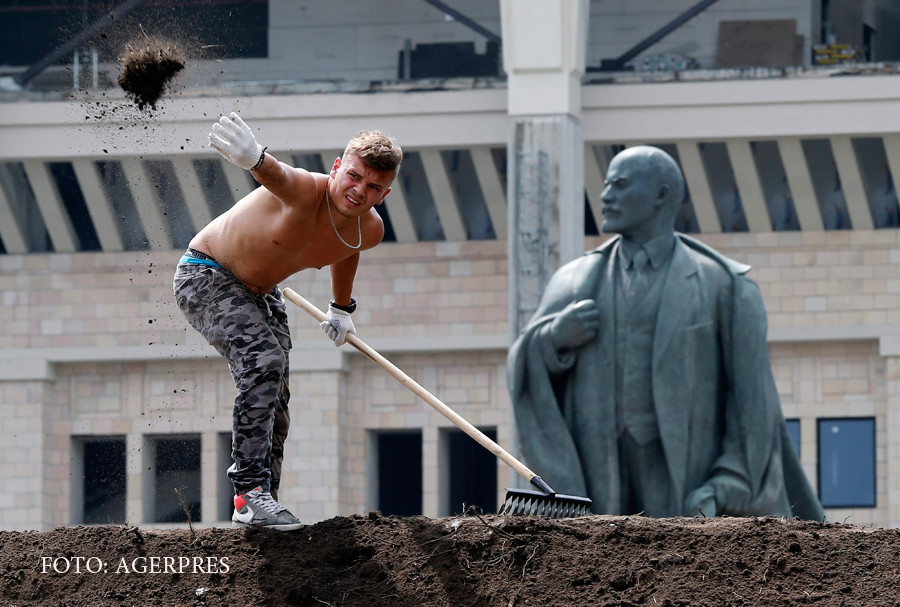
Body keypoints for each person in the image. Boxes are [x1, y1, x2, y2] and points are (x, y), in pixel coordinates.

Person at [507, 145, 824, 520]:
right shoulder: (576, 281)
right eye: (606, 185)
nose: (606, 196)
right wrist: (553, 339)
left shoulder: (724, 286)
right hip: (603, 467)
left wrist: (725, 485)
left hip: (688, 475)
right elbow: (524, 361)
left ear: (662, 195)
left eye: (620, 185)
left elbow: (753, 407)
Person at [173, 113, 402, 530]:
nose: (358, 191)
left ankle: (264, 504)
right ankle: (249, 494)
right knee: (264, 363)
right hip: (205, 275)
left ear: (383, 194)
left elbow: (346, 247)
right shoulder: (304, 190)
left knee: (277, 391)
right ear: (337, 168)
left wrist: (341, 307)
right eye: (353, 176)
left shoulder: (369, 230)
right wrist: (254, 157)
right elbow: (276, 174)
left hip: (261, 292)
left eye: (372, 187)